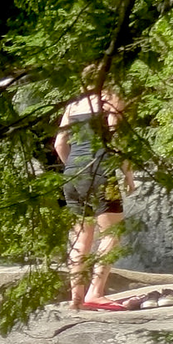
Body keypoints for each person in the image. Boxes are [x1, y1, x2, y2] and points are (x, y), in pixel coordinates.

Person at [55, 66, 131, 309]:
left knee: (81, 237)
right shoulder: (109, 99)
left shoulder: (72, 106)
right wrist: (128, 176)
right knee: (112, 233)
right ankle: (95, 293)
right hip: (100, 170)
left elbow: (59, 144)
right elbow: (117, 138)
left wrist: (74, 168)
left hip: (73, 172)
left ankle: (76, 298)